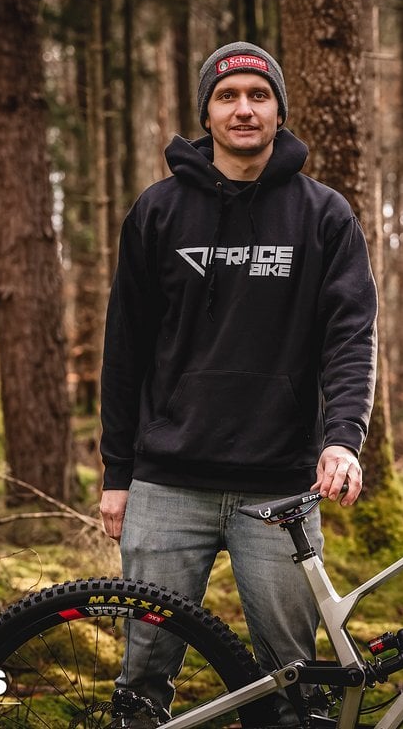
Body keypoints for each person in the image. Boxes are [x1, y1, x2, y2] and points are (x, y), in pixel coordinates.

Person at [99, 41, 378, 728]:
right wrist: (117, 473)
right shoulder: (157, 212)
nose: (244, 109)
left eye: (258, 95)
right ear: (207, 112)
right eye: (227, 96)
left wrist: (343, 439)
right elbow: (124, 349)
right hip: (167, 486)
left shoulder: (324, 214)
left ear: (280, 109)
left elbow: (351, 336)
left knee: (293, 681)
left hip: (279, 488)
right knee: (144, 676)